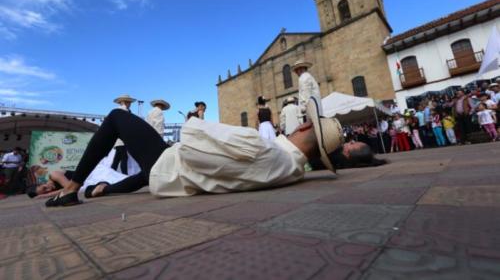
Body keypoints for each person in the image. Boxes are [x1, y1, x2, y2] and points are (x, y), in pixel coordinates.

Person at [44, 98, 386, 207]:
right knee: (138, 174)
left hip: (171, 168)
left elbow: (193, 137)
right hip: (177, 177)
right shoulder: (292, 170)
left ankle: (72, 188)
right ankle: (85, 186)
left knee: (117, 118)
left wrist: (195, 122)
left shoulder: (262, 145)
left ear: (303, 127)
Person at [111, 94, 136, 175]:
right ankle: (124, 175)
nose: (130, 104)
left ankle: (111, 174)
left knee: (117, 160)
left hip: (120, 140)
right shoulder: (122, 110)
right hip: (122, 139)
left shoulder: (122, 110)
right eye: (129, 102)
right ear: (126, 102)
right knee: (124, 158)